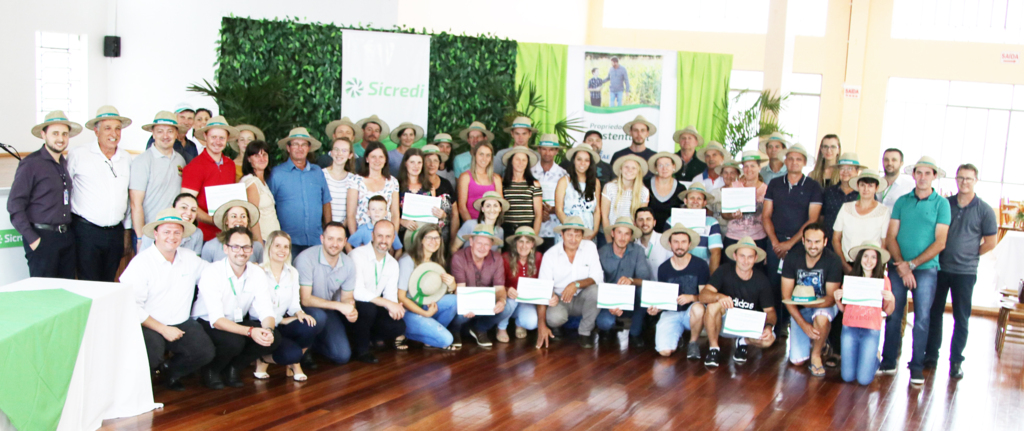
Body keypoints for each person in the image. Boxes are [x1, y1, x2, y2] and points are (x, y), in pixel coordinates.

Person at [120, 208, 213, 391]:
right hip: (148, 323)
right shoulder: (141, 264)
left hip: (180, 322)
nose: (172, 236)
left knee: (205, 352)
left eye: (177, 232)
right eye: (166, 232)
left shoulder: (189, 257)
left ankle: (171, 372)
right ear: (156, 233)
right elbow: (131, 306)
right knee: (152, 353)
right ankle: (140, 390)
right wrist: (163, 329)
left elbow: (213, 274)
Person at [881, 156, 951, 385]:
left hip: (926, 270)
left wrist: (912, 265)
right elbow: (891, 237)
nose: (922, 177)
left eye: (927, 173)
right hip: (898, 267)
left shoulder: (942, 204)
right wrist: (902, 266)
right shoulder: (902, 201)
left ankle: (917, 367)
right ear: (913, 175)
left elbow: (940, 242)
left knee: (922, 318)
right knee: (893, 313)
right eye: (918, 173)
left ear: (934, 176)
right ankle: (889, 361)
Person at [925, 163, 997, 379]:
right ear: (956, 180)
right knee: (934, 313)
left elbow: (991, 242)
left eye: (969, 178)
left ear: (976, 181)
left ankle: (956, 361)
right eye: (961, 178)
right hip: (939, 268)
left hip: (965, 272)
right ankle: (931, 356)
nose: (964, 182)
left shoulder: (984, 210)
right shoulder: (945, 204)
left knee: (961, 317)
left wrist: (970, 255)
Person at [191, 226, 280, 390]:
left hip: (235, 321)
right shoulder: (212, 272)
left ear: (252, 249)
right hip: (207, 322)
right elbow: (217, 320)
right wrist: (250, 331)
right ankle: (211, 371)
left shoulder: (256, 272)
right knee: (234, 341)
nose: (241, 251)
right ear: (226, 248)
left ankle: (233, 369)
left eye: (246, 247)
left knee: (274, 338)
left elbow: (266, 309)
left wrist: (268, 330)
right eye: (235, 247)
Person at [762, 143, 823, 337]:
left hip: (800, 244)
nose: (794, 162)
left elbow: (812, 220)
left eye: (798, 159)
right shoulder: (774, 184)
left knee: (796, 285)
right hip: (775, 243)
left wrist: (790, 244)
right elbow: (766, 216)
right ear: (785, 161)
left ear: (804, 163)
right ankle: (776, 327)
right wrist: (775, 242)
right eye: (790, 158)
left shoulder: (814, 186)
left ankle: (793, 325)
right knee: (774, 283)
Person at [69, 105, 132, 282]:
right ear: (96, 131)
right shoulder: (79, 154)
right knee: (88, 283)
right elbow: (65, 189)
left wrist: (127, 231)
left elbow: (127, 197)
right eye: (107, 128)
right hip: (86, 232)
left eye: (118, 128)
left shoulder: (126, 158)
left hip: (115, 234)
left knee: (108, 283)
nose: (114, 133)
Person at [253, 230, 323, 381]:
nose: (282, 250)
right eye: (277, 246)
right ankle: (265, 359)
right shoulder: (258, 271)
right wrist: (281, 320)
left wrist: (299, 313)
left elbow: (294, 305)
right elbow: (256, 307)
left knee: (310, 324)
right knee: (291, 354)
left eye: (286, 247)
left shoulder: (292, 272)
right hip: (262, 324)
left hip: (281, 322)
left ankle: (294, 362)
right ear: (269, 248)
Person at [700, 236, 777, 367]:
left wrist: (769, 327)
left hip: (746, 324)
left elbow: (770, 311)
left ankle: (743, 342)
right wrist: (719, 296)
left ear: (755, 258)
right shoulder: (724, 271)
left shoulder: (762, 280)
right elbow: (703, 295)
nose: (745, 261)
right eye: (742, 256)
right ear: (735, 256)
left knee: (769, 340)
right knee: (713, 305)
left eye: (750, 257)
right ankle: (714, 349)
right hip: (724, 323)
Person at [780, 223, 843, 376]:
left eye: (817, 242)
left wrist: (812, 305)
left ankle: (816, 355)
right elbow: (786, 297)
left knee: (821, 317)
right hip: (799, 308)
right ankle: (820, 339)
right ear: (803, 240)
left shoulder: (833, 260)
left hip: (824, 305)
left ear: (825, 242)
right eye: (809, 241)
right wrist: (803, 324)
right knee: (797, 361)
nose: (812, 246)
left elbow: (830, 299)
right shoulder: (792, 258)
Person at [294, 222, 360, 365]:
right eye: (330, 238)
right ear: (322, 239)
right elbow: (304, 299)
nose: (334, 244)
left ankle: (315, 342)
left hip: (328, 310)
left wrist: (351, 310)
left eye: (339, 240)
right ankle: (305, 349)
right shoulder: (305, 259)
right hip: (303, 310)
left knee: (343, 356)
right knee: (319, 316)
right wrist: (338, 306)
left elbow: (347, 297)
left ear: (345, 242)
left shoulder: (348, 263)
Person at [537, 217, 605, 348]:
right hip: (560, 298)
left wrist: (576, 284)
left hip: (582, 297)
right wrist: (542, 324)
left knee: (597, 291)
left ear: (582, 236)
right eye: (569, 235)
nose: (573, 239)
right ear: (562, 234)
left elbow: (598, 277)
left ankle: (585, 332)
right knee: (553, 318)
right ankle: (557, 327)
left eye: (577, 235)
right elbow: (543, 287)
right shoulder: (550, 255)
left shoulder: (590, 247)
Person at [834, 241, 896, 385]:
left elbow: (888, 311)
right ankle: (863, 359)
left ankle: (874, 358)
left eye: (873, 257)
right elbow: (844, 309)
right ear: (859, 259)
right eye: (865, 256)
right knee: (847, 377)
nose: (869, 261)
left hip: (871, 330)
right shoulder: (850, 279)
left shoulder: (883, 280)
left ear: (878, 260)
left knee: (864, 380)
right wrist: (838, 299)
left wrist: (891, 299)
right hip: (850, 328)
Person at [348, 221, 408, 363]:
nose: (383, 240)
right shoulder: (356, 255)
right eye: (379, 236)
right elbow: (357, 292)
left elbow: (390, 295)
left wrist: (395, 308)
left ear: (393, 239)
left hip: (373, 306)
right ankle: (361, 351)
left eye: (388, 237)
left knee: (399, 325)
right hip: (351, 306)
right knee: (368, 309)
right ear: (372, 236)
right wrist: (387, 303)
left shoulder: (392, 263)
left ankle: (366, 338)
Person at [130, 111, 188, 253]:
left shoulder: (180, 160)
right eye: (160, 131)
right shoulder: (142, 161)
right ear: (153, 134)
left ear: (176, 134)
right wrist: (140, 238)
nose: (165, 136)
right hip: (150, 234)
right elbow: (135, 203)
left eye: (170, 131)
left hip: (173, 233)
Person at [269, 127, 332, 257]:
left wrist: (329, 231)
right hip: (287, 241)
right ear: (288, 148)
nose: (300, 148)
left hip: (316, 239)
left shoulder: (317, 172)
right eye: (295, 144)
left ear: (309, 148)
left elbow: (326, 202)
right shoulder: (277, 173)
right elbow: (269, 206)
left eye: (304, 144)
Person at [651, 224, 710, 359]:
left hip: (692, 312)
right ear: (670, 244)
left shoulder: (700, 265)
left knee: (699, 308)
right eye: (676, 242)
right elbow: (663, 299)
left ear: (689, 244)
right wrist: (656, 309)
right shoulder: (663, 268)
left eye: (683, 242)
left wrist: (692, 298)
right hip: (671, 312)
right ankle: (678, 337)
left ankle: (693, 342)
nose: (679, 246)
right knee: (664, 351)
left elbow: (705, 296)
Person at [397, 225, 459, 349]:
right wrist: (425, 314)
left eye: (437, 238)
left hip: (426, 306)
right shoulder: (407, 260)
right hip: (408, 312)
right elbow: (401, 298)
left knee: (455, 301)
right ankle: (410, 332)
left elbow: (440, 293)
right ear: (421, 240)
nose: (433, 242)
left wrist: (453, 286)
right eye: (429, 238)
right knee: (447, 339)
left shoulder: (435, 261)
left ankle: (432, 333)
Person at [450, 224, 512, 346]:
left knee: (506, 308)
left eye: (487, 244)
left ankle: (479, 329)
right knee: (460, 312)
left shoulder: (497, 258)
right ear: (471, 242)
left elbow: (499, 288)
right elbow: (460, 290)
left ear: (491, 246)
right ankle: (455, 330)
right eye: (479, 243)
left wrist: (501, 301)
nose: (483, 248)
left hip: (485, 303)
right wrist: (468, 305)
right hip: (465, 303)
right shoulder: (458, 257)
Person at [595, 218, 654, 347]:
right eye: (619, 233)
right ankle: (608, 329)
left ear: (631, 236)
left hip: (630, 298)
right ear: (612, 234)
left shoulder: (637, 251)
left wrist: (631, 280)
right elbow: (597, 283)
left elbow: (645, 279)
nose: (622, 237)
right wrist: (609, 303)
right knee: (604, 322)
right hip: (609, 300)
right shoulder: (601, 252)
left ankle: (635, 333)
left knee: (643, 292)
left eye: (626, 234)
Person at [181, 116, 238, 241]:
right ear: (205, 136)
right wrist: (213, 220)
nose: (217, 142)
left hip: (227, 235)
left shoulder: (230, 165)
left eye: (222, 138)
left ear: (227, 139)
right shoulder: (194, 166)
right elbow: (186, 204)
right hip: (203, 236)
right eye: (213, 137)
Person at [833, 170, 891, 270]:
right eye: (862, 185)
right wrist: (844, 265)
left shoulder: (883, 211)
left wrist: (879, 267)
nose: (866, 189)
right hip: (846, 263)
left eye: (870, 186)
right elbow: (836, 239)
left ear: (876, 188)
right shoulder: (846, 208)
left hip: (871, 266)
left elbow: (884, 243)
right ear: (858, 186)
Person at [721, 151, 769, 263]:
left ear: (759, 168)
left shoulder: (767, 190)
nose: (749, 169)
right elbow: (724, 214)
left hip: (757, 239)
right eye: (746, 166)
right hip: (734, 237)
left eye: (752, 166)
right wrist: (732, 215)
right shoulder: (733, 187)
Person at [347, 142, 401, 241]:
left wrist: (393, 239)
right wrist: (356, 239)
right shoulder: (356, 180)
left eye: (381, 157)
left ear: (385, 160)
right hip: (362, 236)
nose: (377, 160)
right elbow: (351, 213)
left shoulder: (392, 182)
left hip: (385, 238)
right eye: (373, 157)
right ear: (367, 159)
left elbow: (395, 214)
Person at [501, 227, 545, 340]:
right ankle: (501, 328)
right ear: (515, 243)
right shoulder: (505, 258)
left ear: (532, 244)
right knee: (508, 303)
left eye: (528, 242)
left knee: (531, 323)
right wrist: (506, 290)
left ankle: (519, 324)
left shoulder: (539, 257)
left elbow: (543, 282)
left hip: (527, 301)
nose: (523, 246)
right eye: (520, 241)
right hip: (509, 299)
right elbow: (497, 283)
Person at [397, 148, 446, 244]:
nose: (416, 166)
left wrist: (441, 214)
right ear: (405, 163)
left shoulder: (429, 187)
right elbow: (390, 212)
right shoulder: (396, 185)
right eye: (412, 162)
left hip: (424, 235)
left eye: (419, 162)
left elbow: (434, 215)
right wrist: (402, 221)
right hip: (403, 234)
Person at [555, 144, 602, 241]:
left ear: (590, 163)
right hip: (568, 233)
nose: (582, 163)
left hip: (589, 234)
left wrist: (594, 231)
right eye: (579, 159)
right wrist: (573, 231)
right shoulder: (564, 181)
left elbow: (597, 210)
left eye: (586, 160)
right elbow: (559, 210)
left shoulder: (596, 182)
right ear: (573, 161)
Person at [602, 155, 650, 244]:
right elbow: (605, 217)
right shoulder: (609, 188)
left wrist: (630, 239)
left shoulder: (644, 192)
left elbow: (640, 218)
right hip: (611, 236)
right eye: (626, 167)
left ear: (638, 172)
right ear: (621, 169)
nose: (629, 170)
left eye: (633, 168)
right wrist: (609, 241)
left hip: (631, 239)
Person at [676, 183, 723, 273]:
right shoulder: (672, 220)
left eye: (699, 198)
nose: (695, 201)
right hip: (676, 269)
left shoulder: (712, 223)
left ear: (704, 203)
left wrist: (712, 281)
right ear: (685, 201)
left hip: (702, 271)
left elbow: (715, 253)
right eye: (692, 198)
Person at [241, 140, 281, 243]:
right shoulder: (251, 182)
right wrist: (259, 245)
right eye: (256, 156)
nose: (262, 159)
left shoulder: (262, 181)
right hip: (262, 240)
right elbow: (252, 216)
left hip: (272, 238)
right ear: (249, 159)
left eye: (264, 154)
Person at [139, 193, 206, 255]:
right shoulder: (151, 235)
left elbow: (196, 263)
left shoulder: (197, 234)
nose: (189, 213)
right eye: (184, 207)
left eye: (193, 210)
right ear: (172, 208)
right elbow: (142, 262)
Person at [534, 135, 569, 251]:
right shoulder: (530, 172)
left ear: (556, 151)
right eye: (544, 149)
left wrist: (554, 209)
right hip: (534, 230)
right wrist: (539, 212)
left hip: (556, 230)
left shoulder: (564, 175)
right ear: (539, 149)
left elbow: (568, 201)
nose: (547, 153)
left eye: (551, 149)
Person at [820, 153, 864, 242]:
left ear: (857, 171)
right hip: (829, 244)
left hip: (855, 245)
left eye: (850, 168)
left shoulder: (864, 194)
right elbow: (821, 218)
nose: (845, 172)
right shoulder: (828, 192)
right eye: (842, 168)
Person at [501, 146, 543, 236]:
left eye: (524, 160)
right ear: (511, 161)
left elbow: (538, 214)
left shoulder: (534, 184)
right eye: (517, 159)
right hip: (507, 230)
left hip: (527, 230)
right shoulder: (502, 184)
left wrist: (533, 237)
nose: (521, 163)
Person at [422, 144, 459, 243]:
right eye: (428, 160)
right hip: (421, 238)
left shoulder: (446, 184)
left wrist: (453, 240)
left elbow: (455, 214)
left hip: (443, 239)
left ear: (439, 163)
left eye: (435, 161)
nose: (432, 164)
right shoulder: (415, 184)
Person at [458, 141, 503, 222]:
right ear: (475, 155)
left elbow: (500, 205)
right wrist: (472, 227)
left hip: (491, 226)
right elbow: (462, 207)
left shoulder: (496, 178)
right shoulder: (465, 177)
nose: (484, 158)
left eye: (488, 155)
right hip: (470, 225)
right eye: (481, 154)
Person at [646, 152, 685, 231]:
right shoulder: (645, 184)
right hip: (648, 233)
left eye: (667, 165)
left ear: (673, 166)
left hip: (672, 235)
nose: (664, 168)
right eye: (660, 165)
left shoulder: (681, 189)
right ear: (656, 168)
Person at [634, 207, 672, 281]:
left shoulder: (665, 241)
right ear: (635, 223)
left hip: (662, 288)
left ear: (654, 222)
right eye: (641, 219)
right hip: (641, 289)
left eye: (648, 219)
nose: (645, 223)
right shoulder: (634, 246)